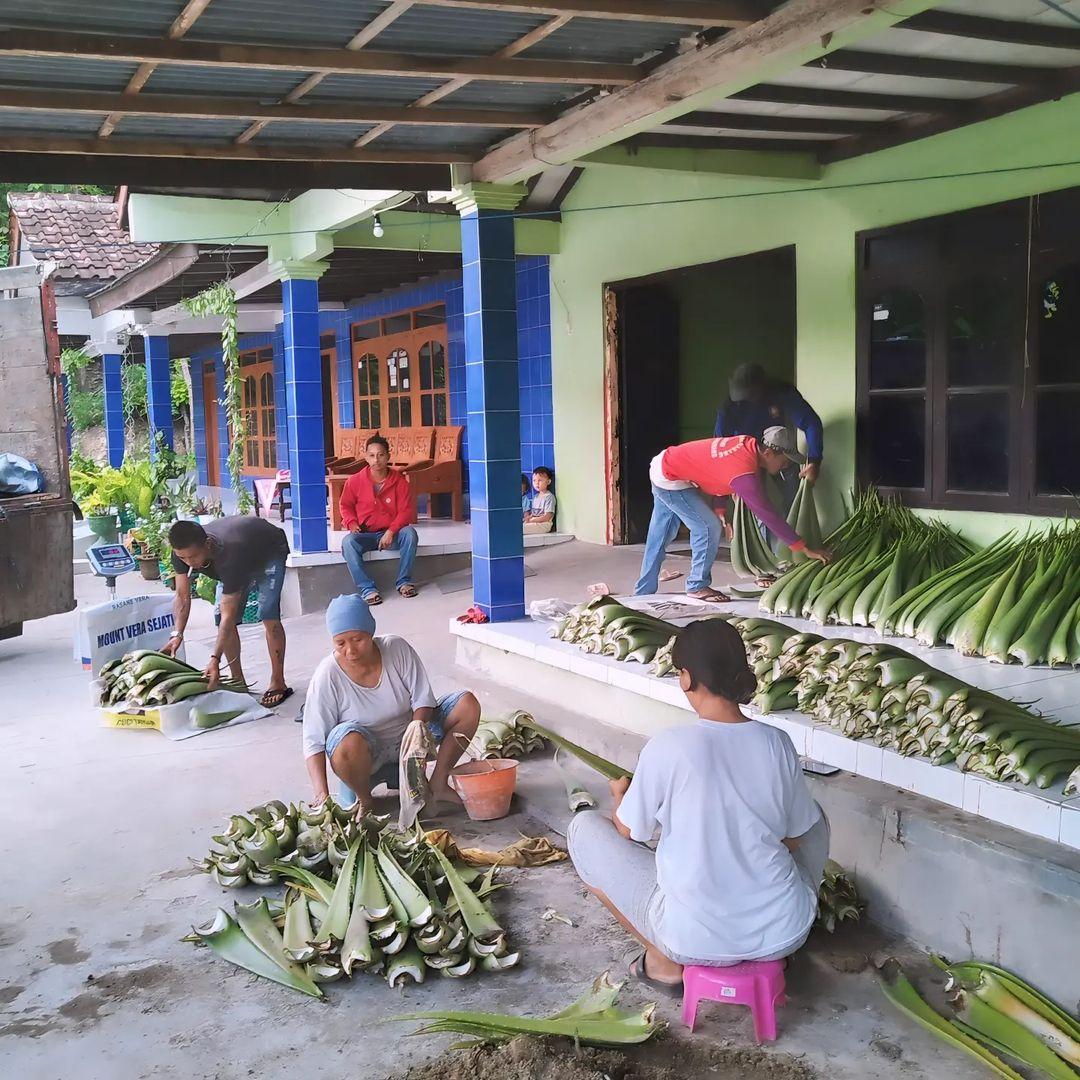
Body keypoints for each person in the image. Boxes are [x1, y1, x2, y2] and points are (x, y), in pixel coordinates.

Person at [567, 618, 830, 994]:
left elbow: (628, 831)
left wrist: (621, 797)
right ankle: (766, 953)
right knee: (815, 819)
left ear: (686, 678)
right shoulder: (778, 742)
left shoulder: (668, 746)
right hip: (785, 931)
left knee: (585, 829)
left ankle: (663, 961)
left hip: (691, 938)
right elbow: (795, 837)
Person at [301, 593, 480, 816]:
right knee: (344, 741)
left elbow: (423, 698)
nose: (350, 650)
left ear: (371, 632)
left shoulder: (396, 649)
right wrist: (321, 795)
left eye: (358, 639)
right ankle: (364, 800)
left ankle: (439, 783)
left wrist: (416, 729)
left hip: (408, 738)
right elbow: (314, 740)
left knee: (467, 705)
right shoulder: (327, 675)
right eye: (340, 643)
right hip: (365, 751)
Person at [634, 428, 829, 602]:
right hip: (671, 478)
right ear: (768, 453)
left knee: (660, 534)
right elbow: (767, 514)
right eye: (784, 461)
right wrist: (803, 548)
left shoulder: (746, 443)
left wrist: (721, 510)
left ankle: (643, 593)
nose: (785, 465)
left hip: (666, 464)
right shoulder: (744, 472)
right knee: (707, 527)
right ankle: (697, 585)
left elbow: (716, 467)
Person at [165, 516, 292, 708]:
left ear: (207, 544)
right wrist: (177, 634)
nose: (189, 563)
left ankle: (278, 681)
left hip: (268, 549)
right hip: (237, 554)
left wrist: (214, 659)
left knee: (267, 612)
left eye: (193, 556)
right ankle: (238, 681)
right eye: (183, 558)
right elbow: (182, 596)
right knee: (220, 618)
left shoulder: (230, 554)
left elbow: (228, 615)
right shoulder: (182, 552)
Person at [715, 361, 824, 507]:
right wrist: (722, 498)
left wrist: (814, 461)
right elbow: (720, 448)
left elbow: (810, 423)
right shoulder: (729, 407)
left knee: (796, 497)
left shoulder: (780, 392)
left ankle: (792, 528)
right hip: (747, 456)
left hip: (779, 449)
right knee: (755, 506)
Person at [339, 435, 419, 606]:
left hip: (392, 534)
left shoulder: (400, 482)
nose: (376, 459)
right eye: (372, 455)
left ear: (388, 456)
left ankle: (403, 582)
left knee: (410, 534)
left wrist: (391, 531)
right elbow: (345, 505)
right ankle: (368, 589)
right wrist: (352, 523)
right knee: (348, 543)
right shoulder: (355, 481)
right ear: (366, 457)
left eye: (381, 455)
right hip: (366, 534)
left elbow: (406, 511)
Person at [523, 466, 556, 535]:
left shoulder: (549, 497)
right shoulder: (535, 497)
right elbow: (534, 514)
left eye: (540, 480)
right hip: (536, 523)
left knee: (520, 529)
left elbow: (547, 517)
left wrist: (532, 520)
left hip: (544, 525)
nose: (537, 483)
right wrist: (528, 518)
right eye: (534, 480)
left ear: (548, 481)